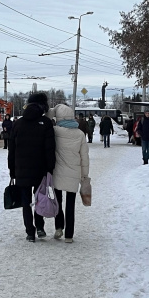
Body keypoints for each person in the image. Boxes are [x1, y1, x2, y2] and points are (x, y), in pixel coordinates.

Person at [8, 92, 56, 242]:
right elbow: (50, 149)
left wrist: (12, 170)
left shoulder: (17, 124)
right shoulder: (46, 123)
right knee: (40, 198)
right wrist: (50, 168)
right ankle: (40, 227)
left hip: (21, 169)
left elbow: (12, 150)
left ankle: (30, 232)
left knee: (25, 201)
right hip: (40, 169)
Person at [47, 104, 89, 243]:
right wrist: (84, 175)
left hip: (57, 171)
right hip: (74, 173)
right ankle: (69, 235)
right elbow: (84, 156)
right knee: (70, 205)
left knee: (58, 201)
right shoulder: (80, 134)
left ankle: (59, 227)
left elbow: (47, 118)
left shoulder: (54, 131)